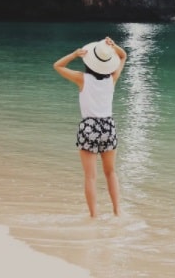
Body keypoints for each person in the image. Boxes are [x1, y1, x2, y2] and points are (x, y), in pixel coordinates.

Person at [53, 37, 127, 217]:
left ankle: (94, 216)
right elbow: (124, 57)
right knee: (111, 173)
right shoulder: (112, 79)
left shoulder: (82, 79)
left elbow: (57, 66)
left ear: (89, 61)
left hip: (89, 127)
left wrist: (74, 54)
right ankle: (117, 212)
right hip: (108, 126)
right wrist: (113, 46)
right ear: (108, 64)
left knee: (90, 177)